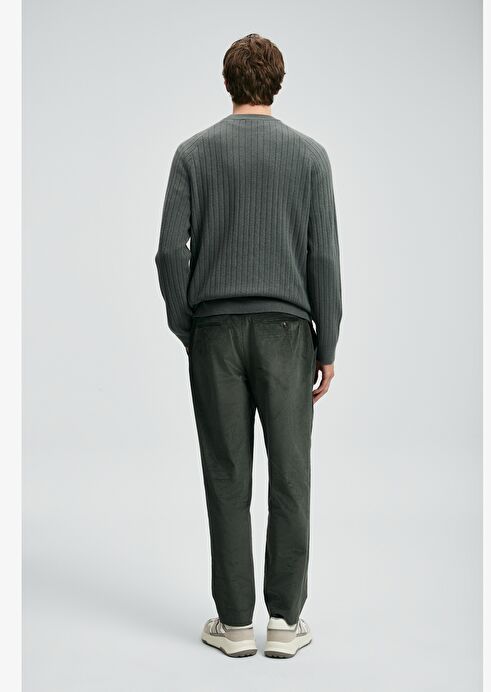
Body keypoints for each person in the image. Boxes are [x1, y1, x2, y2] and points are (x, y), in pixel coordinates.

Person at [155, 33, 342, 659]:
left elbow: (168, 253)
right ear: (277, 83)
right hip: (288, 334)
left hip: (215, 332)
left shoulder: (192, 153)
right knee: (291, 476)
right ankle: (284, 623)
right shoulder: (310, 157)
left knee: (226, 475)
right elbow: (323, 258)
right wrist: (327, 344)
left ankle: (235, 625)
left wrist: (191, 326)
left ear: (227, 81)